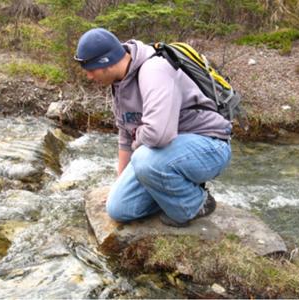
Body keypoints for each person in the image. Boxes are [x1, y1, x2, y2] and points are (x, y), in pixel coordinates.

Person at [74, 28, 232, 227]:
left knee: (144, 159)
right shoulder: (119, 84)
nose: (88, 76)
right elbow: (125, 137)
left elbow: (158, 135)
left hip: (209, 145)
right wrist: (120, 184)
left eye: (91, 69)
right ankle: (172, 192)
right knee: (119, 208)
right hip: (163, 155)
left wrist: (138, 137)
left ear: (106, 61)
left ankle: (197, 203)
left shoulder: (154, 70)